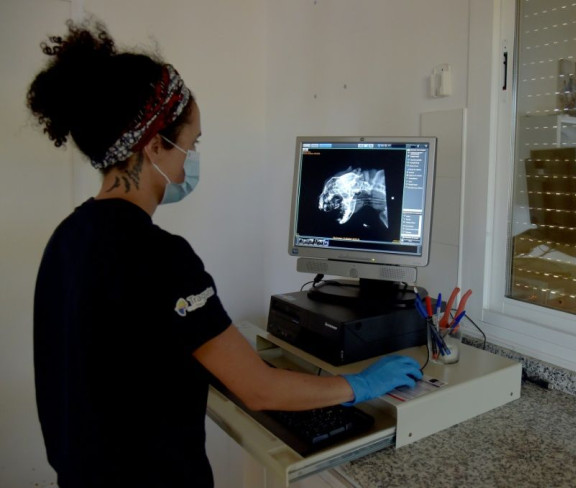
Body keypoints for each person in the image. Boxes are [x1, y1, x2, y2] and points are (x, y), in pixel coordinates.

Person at [28, 21, 422, 488]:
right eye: (189, 145)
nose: (190, 160)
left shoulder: (66, 238)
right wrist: (362, 385)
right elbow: (259, 389)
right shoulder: (162, 257)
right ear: (154, 145)